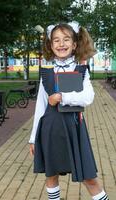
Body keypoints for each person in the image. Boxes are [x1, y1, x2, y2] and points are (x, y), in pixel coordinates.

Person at [29, 21, 109, 200]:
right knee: (51, 175)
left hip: (74, 127)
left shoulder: (80, 68)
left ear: (74, 44)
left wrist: (61, 97)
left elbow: (87, 97)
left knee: (88, 177)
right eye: (56, 40)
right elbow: (41, 105)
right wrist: (33, 137)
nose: (61, 44)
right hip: (49, 127)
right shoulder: (46, 70)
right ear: (51, 45)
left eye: (66, 39)